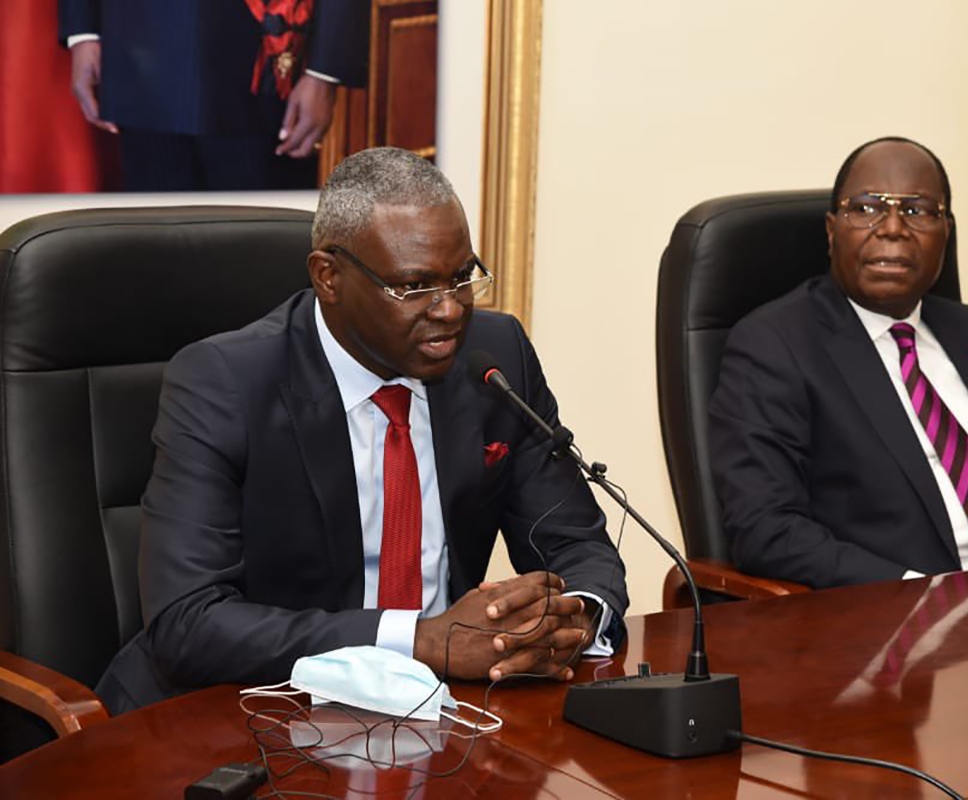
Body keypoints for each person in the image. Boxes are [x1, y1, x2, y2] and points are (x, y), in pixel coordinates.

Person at [95, 147, 628, 713]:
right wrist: (421, 641)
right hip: (239, 708)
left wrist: (572, 618)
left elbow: (575, 543)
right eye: (414, 286)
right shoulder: (222, 383)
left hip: (436, 716)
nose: (450, 310)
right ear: (328, 277)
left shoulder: (495, 358)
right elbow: (187, 622)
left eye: (461, 277)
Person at [709, 136, 968, 590]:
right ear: (831, 230)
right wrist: (918, 593)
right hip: (899, 617)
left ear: (946, 233)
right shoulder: (775, 347)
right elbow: (766, 529)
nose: (892, 228)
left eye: (917, 210)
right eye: (866, 208)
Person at [58, 0, 368, 191]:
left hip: (260, 66)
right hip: (137, 54)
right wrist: (83, 30)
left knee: (260, 259)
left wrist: (325, 68)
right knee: (156, 259)